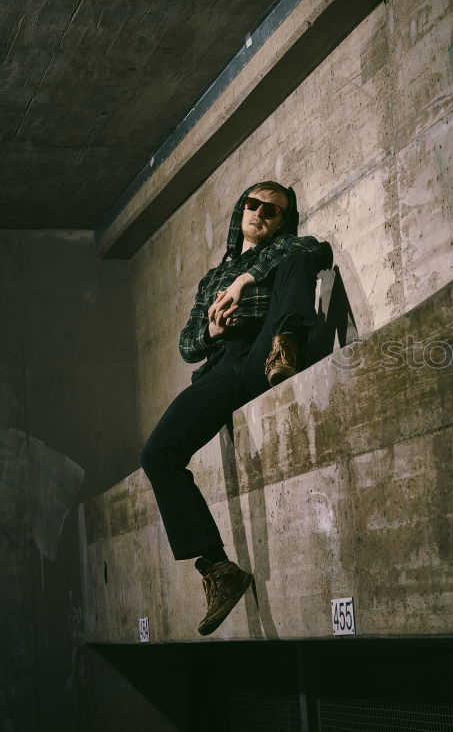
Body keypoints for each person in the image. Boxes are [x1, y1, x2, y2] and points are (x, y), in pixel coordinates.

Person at [139, 181, 332, 635]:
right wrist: (209, 328)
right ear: (240, 210)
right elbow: (187, 345)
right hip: (226, 365)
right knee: (155, 454)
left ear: (282, 220)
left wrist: (246, 279)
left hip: (267, 348)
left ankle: (286, 346)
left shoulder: (287, 248)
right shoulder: (210, 281)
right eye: (254, 205)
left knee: (295, 258)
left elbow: (314, 248)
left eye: (274, 211)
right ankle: (217, 569)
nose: (261, 214)